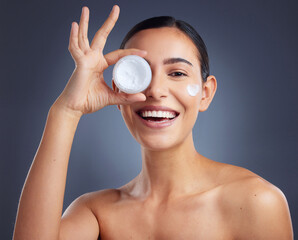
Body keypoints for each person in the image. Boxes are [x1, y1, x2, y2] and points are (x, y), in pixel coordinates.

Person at [13, 5, 293, 240]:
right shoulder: (95, 212)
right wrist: (66, 111)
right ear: (118, 90)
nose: (156, 91)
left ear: (206, 93)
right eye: (139, 73)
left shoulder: (256, 201)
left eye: (177, 73)